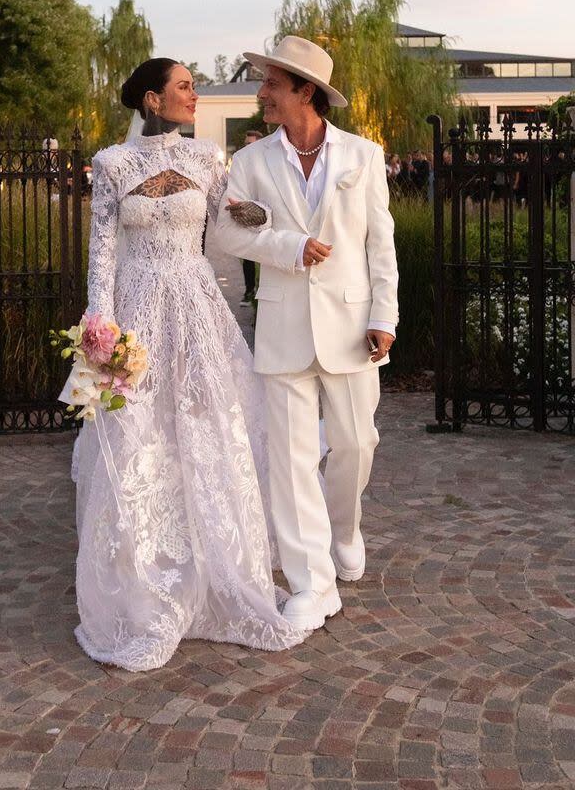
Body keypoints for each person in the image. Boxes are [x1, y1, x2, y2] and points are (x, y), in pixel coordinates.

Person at [60, 57, 307, 672]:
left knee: (207, 425)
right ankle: (142, 584)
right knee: (135, 432)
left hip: (196, 306)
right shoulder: (112, 164)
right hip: (137, 307)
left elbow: (231, 220)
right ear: (152, 99)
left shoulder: (204, 159)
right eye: (185, 87)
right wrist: (100, 327)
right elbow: (102, 253)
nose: (195, 96)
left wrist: (266, 216)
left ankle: (215, 566)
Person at [215, 35, 398, 631]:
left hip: (351, 325)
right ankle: (309, 582)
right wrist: (288, 246)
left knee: (355, 444)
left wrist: (383, 317)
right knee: (290, 463)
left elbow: (380, 245)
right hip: (284, 326)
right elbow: (229, 235)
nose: (261, 93)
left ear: (304, 91)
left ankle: (344, 529)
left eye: (271, 82)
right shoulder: (249, 162)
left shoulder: (363, 157)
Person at [238, 130, 263, 305]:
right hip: (247, 220)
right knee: (247, 259)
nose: (247, 147)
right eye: (245, 144)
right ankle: (249, 292)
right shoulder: (241, 166)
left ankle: (260, 294)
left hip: (267, 221)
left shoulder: (268, 165)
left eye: (250, 144)